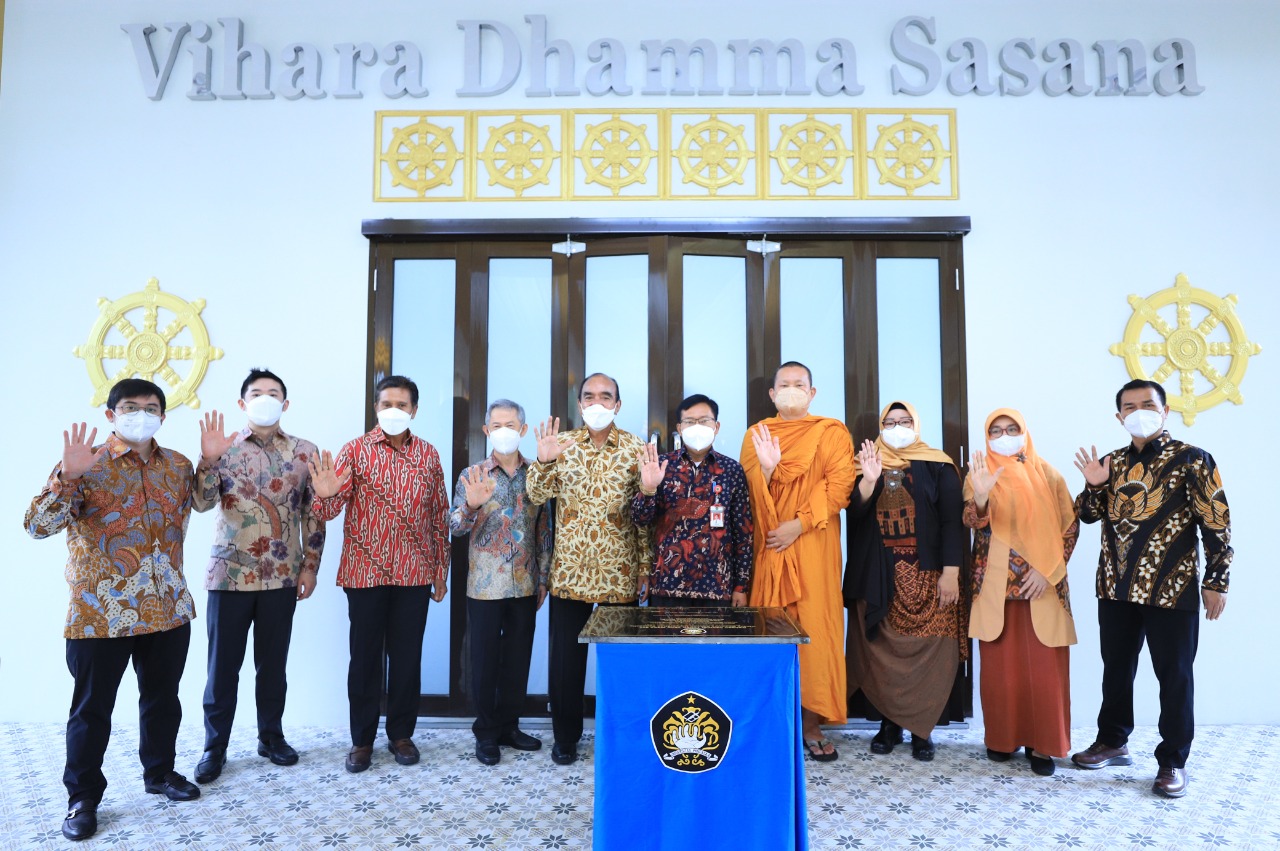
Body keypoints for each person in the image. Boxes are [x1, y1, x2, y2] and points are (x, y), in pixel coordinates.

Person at [24, 378, 203, 842]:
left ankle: (160, 773)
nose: (140, 414)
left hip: (167, 610)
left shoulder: (179, 466)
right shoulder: (87, 464)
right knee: (91, 711)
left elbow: (203, 503)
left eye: (150, 408)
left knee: (163, 702)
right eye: (129, 407)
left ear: (163, 416)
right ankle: (82, 798)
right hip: (100, 612)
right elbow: (37, 526)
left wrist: (215, 460)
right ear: (110, 415)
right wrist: (68, 477)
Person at [1070, 379, 1232, 798]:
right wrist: (1094, 484)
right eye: (1129, 406)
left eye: (1147, 404)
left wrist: (1216, 580)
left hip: (1171, 588)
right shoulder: (1112, 461)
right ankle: (1113, 740)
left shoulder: (1193, 459)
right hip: (1116, 587)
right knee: (1116, 668)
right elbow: (1086, 515)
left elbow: (1216, 522)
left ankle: (1173, 761)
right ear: (1119, 416)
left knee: (1174, 676)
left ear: (1165, 411)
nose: (1138, 411)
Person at [190, 368, 326, 783]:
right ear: (242, 402)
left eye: (273, 393)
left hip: (283, 575)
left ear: (285, 404)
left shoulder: (306, 452)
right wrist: (208, 460)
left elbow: (313, 512)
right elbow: (200, 502)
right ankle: (215, 747)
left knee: (273, 665)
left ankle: (271, 736)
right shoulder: (224, 448)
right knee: (222, 667)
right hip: (229, 575)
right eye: (256, 393)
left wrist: (310, 566)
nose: (264, 398)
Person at [310, 375, 449, 773]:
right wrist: (324, 495)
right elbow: (327, 512)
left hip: (415, 572)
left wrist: (441, 569)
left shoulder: (428, 455)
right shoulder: (355, 451)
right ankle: (361, 740)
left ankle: (401, 735)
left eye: (402, 405)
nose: (394, 411)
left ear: (415, 410)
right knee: (365, 659)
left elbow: (439, 515)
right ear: (375, 407)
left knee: (407, 659)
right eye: (386, 403)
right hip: (365, 572)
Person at [526, 372, 650, 766]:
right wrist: (544, 462)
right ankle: (565, 737)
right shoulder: (560, 445)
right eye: (589, 396)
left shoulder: (636, 449)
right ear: (579, 404)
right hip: (570, 573)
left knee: (621, 664)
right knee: (565, 663)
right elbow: (535, 494)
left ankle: (623, 734)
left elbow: (646, 516)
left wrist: (646, 567)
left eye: (605, 396)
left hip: (621, 572)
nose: (597, 403)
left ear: (618, 404)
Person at [741, 362, 855, 762]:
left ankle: (811, 723)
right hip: (771, 546)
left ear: (812, 393)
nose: (791, 390)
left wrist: (800, 524)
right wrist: (768, 471)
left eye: (799, 385)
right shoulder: (757, 435)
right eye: (783, 385)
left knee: (815, 634)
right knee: (771, 632)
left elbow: (840, 486)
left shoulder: (832, 432)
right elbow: (752, 498)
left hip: (814, 547)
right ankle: (770, 722)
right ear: (772, 395)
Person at [844, 401, 966, 762]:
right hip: (879, 576)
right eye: (890, 422)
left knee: (931, 651)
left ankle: (921, 730)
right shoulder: (867, 462)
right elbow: (855, 512)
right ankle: (888, 725)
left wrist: (951, 573)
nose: (898, 427)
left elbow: (950, 521)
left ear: (917, 424)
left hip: (929, 575)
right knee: (883, 654)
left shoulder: (937, 463)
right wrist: (867, 480)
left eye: (905, 421)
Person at [964, 409, 1079, 777]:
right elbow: (973, 521)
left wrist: (1048, 572)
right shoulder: (980, 473)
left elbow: (1069, 527)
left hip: (1040, 584)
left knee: (1045, 671)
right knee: (1000, 670)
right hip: (995, 583)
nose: (1003, 435)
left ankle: (1043, 745)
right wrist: (981, 497)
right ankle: (1002, 739)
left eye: (1011, 429)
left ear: (1024, 431)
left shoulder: (1048, 474)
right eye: (995, 430)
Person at [449, 399, 553, 766]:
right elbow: (455, 527)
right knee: (485, 660)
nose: (504, 430)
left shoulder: (536, 474)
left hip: (525, 584)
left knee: (517, 659)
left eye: (511, 424)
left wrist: (544, 576)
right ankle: (486, 732)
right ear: (486, 430)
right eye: (497, 425)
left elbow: (544, 528)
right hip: (484, 586)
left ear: (523, 430)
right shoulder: (472, 474)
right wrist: (472, 506)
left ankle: (510, 725)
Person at [632, 394, 753, 607]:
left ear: (716, 426)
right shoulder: (661, 465)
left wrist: (741, 586)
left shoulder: (732, 470)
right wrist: (649, 488)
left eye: (704, 420)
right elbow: (640, 520)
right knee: (667, 641)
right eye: (690, 421)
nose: (697, 426)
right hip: (667, 584)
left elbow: (743, 532)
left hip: (716, 588)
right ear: (680, 428)